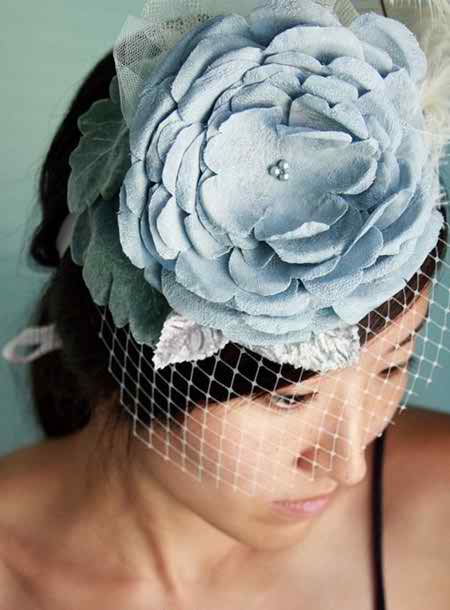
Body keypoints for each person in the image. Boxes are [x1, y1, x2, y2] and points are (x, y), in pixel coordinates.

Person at [1, 2, 450, 608]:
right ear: (127, 354)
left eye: (393, 365)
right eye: (290, 398)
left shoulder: (439, 511)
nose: (348, 466)